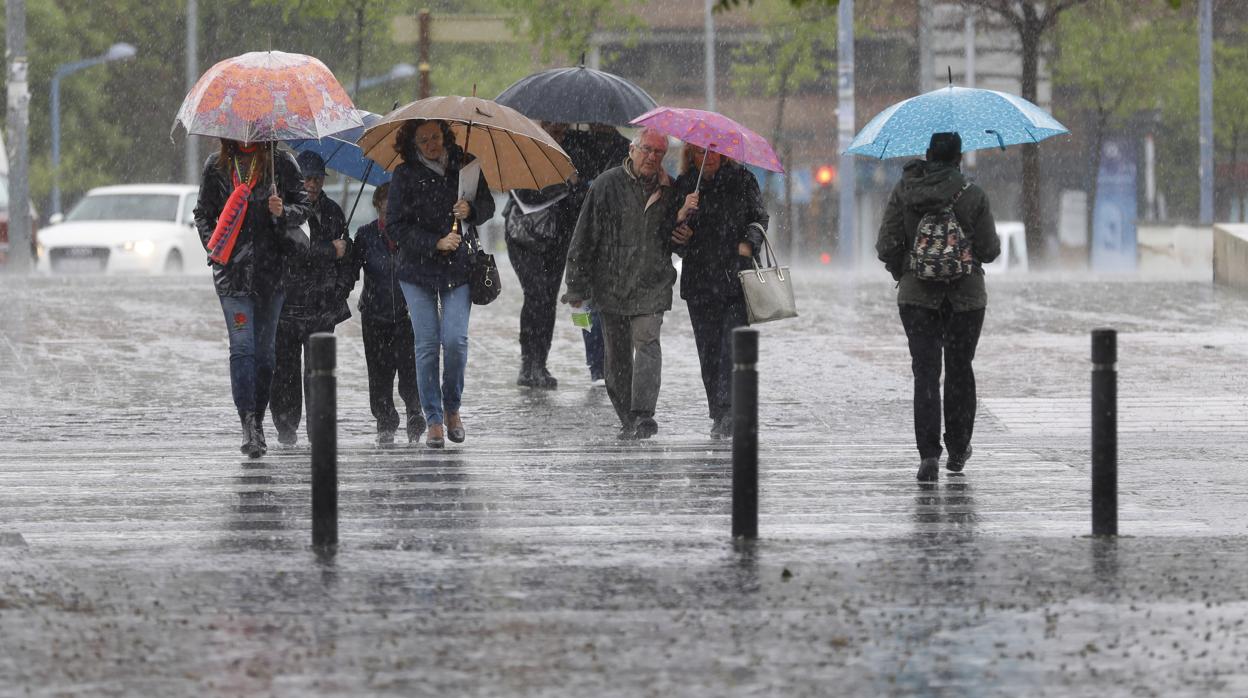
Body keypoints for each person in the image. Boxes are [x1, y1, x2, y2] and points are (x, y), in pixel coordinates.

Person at [875, 132, 1000, 481]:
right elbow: (989, 250)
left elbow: (886, 244)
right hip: (966, 299)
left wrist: (908, 269)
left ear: (928, 155)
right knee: (960, 370)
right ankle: (958, 448)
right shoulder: (973, 195)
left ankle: (928, 455)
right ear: (959, 158)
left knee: (926, 374)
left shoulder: (905, 190)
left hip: (917, 297)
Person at [563, 127, 682, 440]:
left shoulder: (672, 189)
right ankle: (628, 417)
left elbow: (677, 239)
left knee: (647, 342)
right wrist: (576, 286)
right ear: (632, 149)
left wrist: (685, 225)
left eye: (659, 152)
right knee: (616, 356)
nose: (652, 157)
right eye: (647, 150)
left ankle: (643, 414)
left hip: (652, 283)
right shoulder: (606, 185)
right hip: (611, 284)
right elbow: (583, 237)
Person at [194, 139, 310, 458]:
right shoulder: (216, 167)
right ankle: (248, 422)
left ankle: (257, 419)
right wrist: (215, 248)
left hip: (272, 276)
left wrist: (283, 210)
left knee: (266, 355)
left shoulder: (281, 163)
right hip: (232, 276)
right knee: (243, 346)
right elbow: (203, 214)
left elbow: (303, 206)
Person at [387, 119, 494, 448]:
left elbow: (488, 206)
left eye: (435, 137)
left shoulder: (466, 165)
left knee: (456, 341)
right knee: (428, 345)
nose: (431, 144)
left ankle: (452, 409)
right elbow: (395, 226)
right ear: (413, 143)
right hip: (416, 271)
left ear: (445, 136)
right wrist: (434, 242)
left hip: (458, 269)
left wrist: (471, 209)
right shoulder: (404, 175)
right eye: (423, 140)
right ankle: (433, 418)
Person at [672, 144, 768, 439]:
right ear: (691, 156)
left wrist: (748, 244)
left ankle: (731, 410)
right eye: (701, 153)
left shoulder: (742, 179)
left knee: (731, 348)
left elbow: (759, 218)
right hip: (700, 283)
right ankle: (718, 411)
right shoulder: (686, 185)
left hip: (736, 279)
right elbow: (672, 235)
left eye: (714, 152)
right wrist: (681, 220)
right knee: (709, 352)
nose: (708, 157)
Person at [270, 151, 353, 447]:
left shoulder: (333, 213)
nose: (312, 184)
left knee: (318, 373)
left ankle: (318, 429)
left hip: (322, 307)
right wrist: (329, 250)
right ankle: (286, 428)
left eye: (317, 178)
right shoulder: (284, 212)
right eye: (307, 178)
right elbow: (294, 251)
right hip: (287, 307)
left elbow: (348, 259)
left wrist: (338, 291)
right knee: (285, 372)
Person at [503, 121, 583, 390]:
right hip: (523, 236)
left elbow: (580, 197)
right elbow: (524, 193)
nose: (556, 130)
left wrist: (574, 185)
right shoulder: (523, 146)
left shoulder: (574, 148)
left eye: (560, 126)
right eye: (550, 125)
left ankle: (541, 363)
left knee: (548, 298)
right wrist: (564, 184)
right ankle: (528, 363)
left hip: (558, 237)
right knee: (535, 293)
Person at [350, 182, 424, 445]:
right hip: (374, 315)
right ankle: (385, 419)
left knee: (409, 369)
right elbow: (350, 272)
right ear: (377, 204)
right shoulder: (365, 235)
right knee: (379, 372)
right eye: (385, 200)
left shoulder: (411, 234)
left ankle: (415, 413)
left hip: (408, 314)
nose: (390, 206)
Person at [561, 124, 631, 387]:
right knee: (580, 301)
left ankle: (610, 362)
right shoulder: (574, 144)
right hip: (577, 234)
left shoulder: (624, 149)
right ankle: (595, 363)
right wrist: (578, 186)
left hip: (612, 239)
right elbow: (569, 195)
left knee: (607, 305)